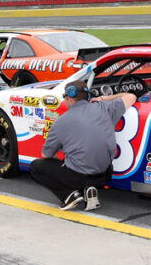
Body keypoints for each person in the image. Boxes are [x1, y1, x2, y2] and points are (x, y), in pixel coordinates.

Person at [29, 81, 136, 211]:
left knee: (36, 167)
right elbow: (131, 97)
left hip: (78, 176)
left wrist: (63, 164)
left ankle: (69, 195)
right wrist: (106, 98)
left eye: (64, 97)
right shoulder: (104, 107)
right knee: (76, 162)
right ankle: (88, 189)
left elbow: (46, 155)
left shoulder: (61, 121)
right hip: (104, 175)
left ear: (69, 98)